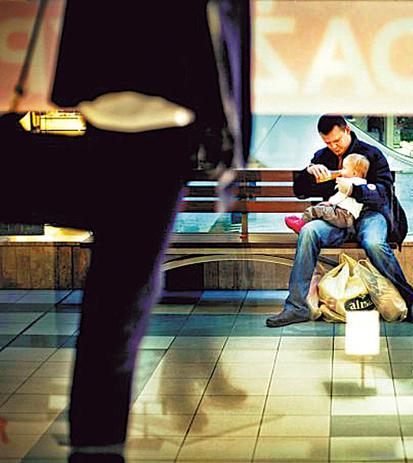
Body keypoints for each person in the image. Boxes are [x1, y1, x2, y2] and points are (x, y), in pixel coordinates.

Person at [0, 2, 251, 462]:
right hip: (167, 113)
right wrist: (230, 143)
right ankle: (97, 442)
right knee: (123, 294)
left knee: (118, 291)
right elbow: (223, 29)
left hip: (106, 101)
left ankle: (96, 438)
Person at [266, 115, 413, 327]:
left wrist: (355, 189)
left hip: (370, 215)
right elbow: (301, 192)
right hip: (338, 217)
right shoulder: (322, 157)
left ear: (347, 131)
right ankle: (296, 307)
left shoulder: (372, 154)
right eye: (327, 143)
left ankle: (411, 300)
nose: (333, 147)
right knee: (309, 232)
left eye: (337, 141)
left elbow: (384, 192)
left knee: (373, 243)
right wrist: (308, 173)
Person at [284, 153, 370, 233]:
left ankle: (301, 224)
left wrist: (330, 202)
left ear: (354, 173)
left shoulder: (352, 183)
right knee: (321, 208)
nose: (340, 170)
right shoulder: (361, 183)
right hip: (345, 216)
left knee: (315, 210)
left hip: (343, 216)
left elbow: (341, 195)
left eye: (344, 168)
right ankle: (303, 221)